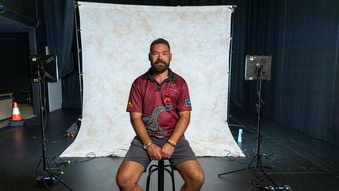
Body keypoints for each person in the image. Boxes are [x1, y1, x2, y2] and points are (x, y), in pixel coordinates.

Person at [116, 38, 205, 191]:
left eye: (164, 53)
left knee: (197, 179)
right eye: (155, 53)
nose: (160, 57)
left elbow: (185, 116)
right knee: (124, 180)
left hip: (174, 139)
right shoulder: (138, 83)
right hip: (145, 138)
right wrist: (148, 144)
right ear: (149, 56)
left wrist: (171, 143)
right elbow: (135, 117)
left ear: (170, 56)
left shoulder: (180, 83)